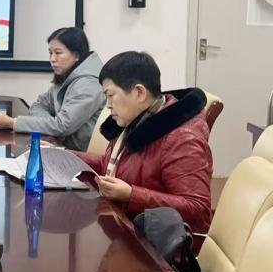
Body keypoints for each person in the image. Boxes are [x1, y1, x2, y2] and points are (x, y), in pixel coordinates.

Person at [75, 51, 213, 232]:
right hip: (126, 228)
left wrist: (132, 195)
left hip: (155, 243)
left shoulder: (181, 139)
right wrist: (63, 156)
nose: (107, 104)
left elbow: (198, 209)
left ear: (139, 93)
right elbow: (113, 166)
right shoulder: (136, 121)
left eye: (111, 95)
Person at [0, 27, 106, 151]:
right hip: (63, 147)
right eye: (50, 53)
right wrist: (50, 124)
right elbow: (38, 105)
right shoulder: (66, 75)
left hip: (81, 155)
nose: (52, 59)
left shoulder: (88, 84)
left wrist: (13, 123)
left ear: (76, 55)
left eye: (58, 53)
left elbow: (62, 126)